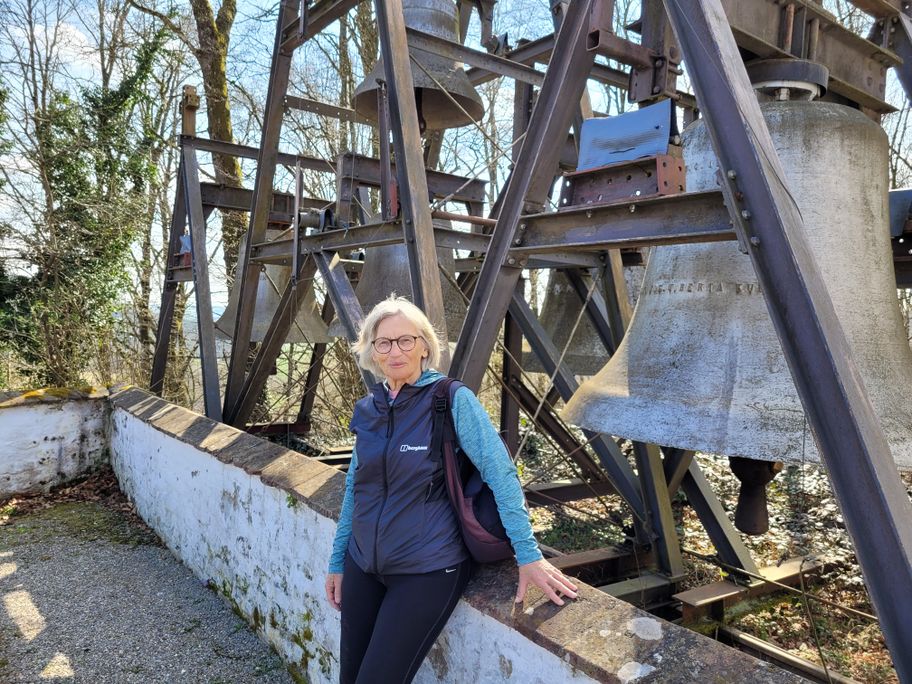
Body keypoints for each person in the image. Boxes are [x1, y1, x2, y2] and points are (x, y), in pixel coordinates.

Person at [324, 295, 578, 684]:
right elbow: (355, 489)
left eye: (405, 340)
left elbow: (501, 474)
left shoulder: (450, 400)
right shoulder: (368, 409)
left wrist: (529, 554)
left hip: (427, 569)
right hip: (363, 565)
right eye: (384, 342)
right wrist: (339, 559)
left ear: (425, 344)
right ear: (371, 351)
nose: (395, 351)